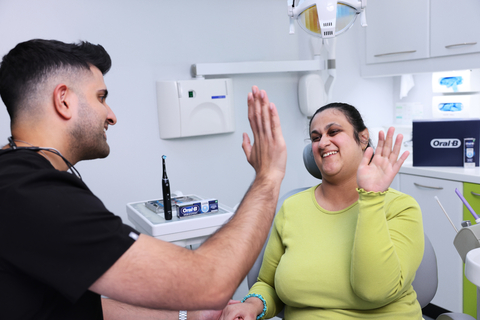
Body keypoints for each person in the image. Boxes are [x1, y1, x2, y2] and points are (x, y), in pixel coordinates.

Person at [0, 39, 287, 320]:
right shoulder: (32, 194)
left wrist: (188, 316)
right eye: (101, 97)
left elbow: (80, 309)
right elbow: (211, 282)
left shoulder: (16, 180)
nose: (111, 116)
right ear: (63, 100)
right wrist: (269, 176)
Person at [220, 102, 424, 320]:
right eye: (316, 138)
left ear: (363, 138)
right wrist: (252, 305)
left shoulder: (401, 207)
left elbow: (375, 291)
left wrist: (371, 198)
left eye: (334, 131)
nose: (323, 142)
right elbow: (268, 284)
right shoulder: (292, 207)